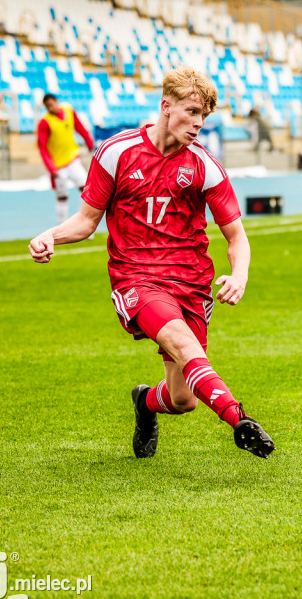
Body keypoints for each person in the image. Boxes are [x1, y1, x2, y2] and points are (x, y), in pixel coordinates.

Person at [27, 65, 274, 460]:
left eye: (204, 117)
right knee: (181, 340)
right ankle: (238, 419)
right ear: (166, 106)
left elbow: (236, 236)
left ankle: (145, 402)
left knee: (183, 399)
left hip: (191, 283)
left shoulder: (204, 166)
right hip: (137, 279)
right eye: (192, 112)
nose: (198, 124)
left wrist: (240, 274)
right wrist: (49, 235)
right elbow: (87, 221)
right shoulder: (116, 153)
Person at [38, 93, 95, 225]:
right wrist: (51, 168)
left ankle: (83, 223)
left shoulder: (69, 110)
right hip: (58, 166)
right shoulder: (45, 122)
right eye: (47, 107)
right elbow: (42, 148)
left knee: (87, 189)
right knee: (62, 197)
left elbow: (79, 126)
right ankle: (62, 227)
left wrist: (88, 141)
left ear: (56, 102)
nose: (50, 109)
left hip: (72, 160)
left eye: (51, 105)